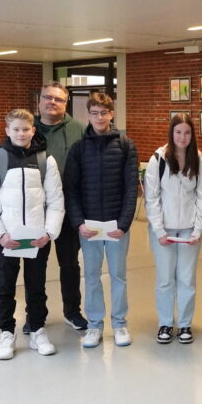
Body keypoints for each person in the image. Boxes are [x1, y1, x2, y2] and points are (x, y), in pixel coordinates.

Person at [0, 109, 65, 360]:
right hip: (7, 240)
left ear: (33, 131)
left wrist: (49, 233)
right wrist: (0, 235)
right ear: (7, 131)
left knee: (36, 286)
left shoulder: (45, 160)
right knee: (5, 287)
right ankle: (6, 332)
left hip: (38, 239)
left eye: (25, 129)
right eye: (15, 129)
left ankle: (37, 329)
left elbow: (56, 200)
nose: (21, 133)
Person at [63, 92, 139, 349]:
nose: (98, 117)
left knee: (118, 276)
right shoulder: (79, 148)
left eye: (103, 113)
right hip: (90, 227)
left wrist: (124, 223)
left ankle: (119, 324)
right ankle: (95, 324)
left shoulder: (126, 145)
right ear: (89, 115)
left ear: (111, 114)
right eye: (94, 113)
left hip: (117, 226)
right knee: (92, 276)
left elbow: (131, 188)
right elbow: (71, 189)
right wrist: (78, 223)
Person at [144, 113, 202, 344]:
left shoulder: (200, 160)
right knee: (165, 279)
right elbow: (151, 198)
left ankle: (184, 324)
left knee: (186, 279)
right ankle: (165, 323)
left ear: (192, 135)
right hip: (164, 233)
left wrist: (198, 229)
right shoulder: (158, 159)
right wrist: (159, 231)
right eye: (178, 132)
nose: (182, 137)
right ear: (171, 134)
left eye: (187, 132)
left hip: (189, 231)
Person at [33, 81, 88, 333]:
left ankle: (72, 311)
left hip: (68, 211)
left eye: (58, 99)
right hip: (35, 212)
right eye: (48, 98)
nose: (52, 102)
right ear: (40, 101)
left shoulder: (79, 130)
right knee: (36, 265)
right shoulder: (27, 128)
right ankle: (36, 315)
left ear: (65, 103)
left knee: (69, 264)